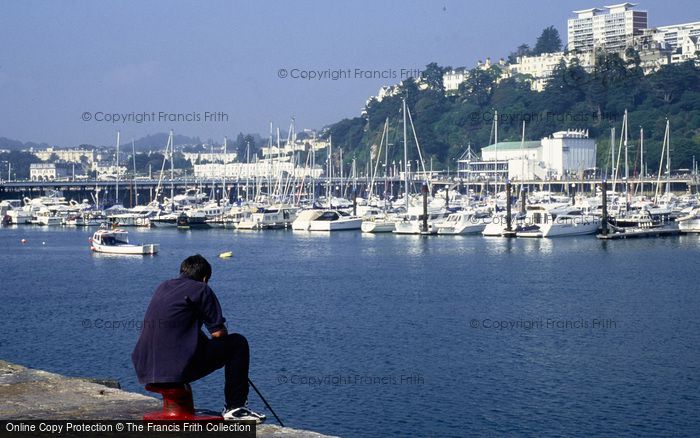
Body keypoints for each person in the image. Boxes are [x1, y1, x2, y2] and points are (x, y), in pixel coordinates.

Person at [131, 254, 265, 423]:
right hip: (175, 371)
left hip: (145, 369)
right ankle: (235, 407)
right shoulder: (202, 289)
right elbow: (218, 333)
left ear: (182, 271)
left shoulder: (163, 286)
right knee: (238, 343)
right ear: (204, 278)